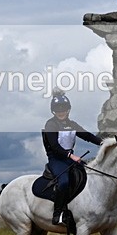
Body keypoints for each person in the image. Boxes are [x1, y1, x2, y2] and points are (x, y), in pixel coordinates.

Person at [42, 90, 102, 227]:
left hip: (70, 158)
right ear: (53, 111)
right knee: (63, 182)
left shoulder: (72, 124)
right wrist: (71, 156)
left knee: (87, 176)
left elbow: (87, 136)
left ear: (68, 110)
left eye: (63, 109)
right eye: (58, 109)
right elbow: (55, 146)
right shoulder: (50, 125)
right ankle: (57, 214)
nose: (61, 112)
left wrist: (103, 143)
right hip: (56, 159)